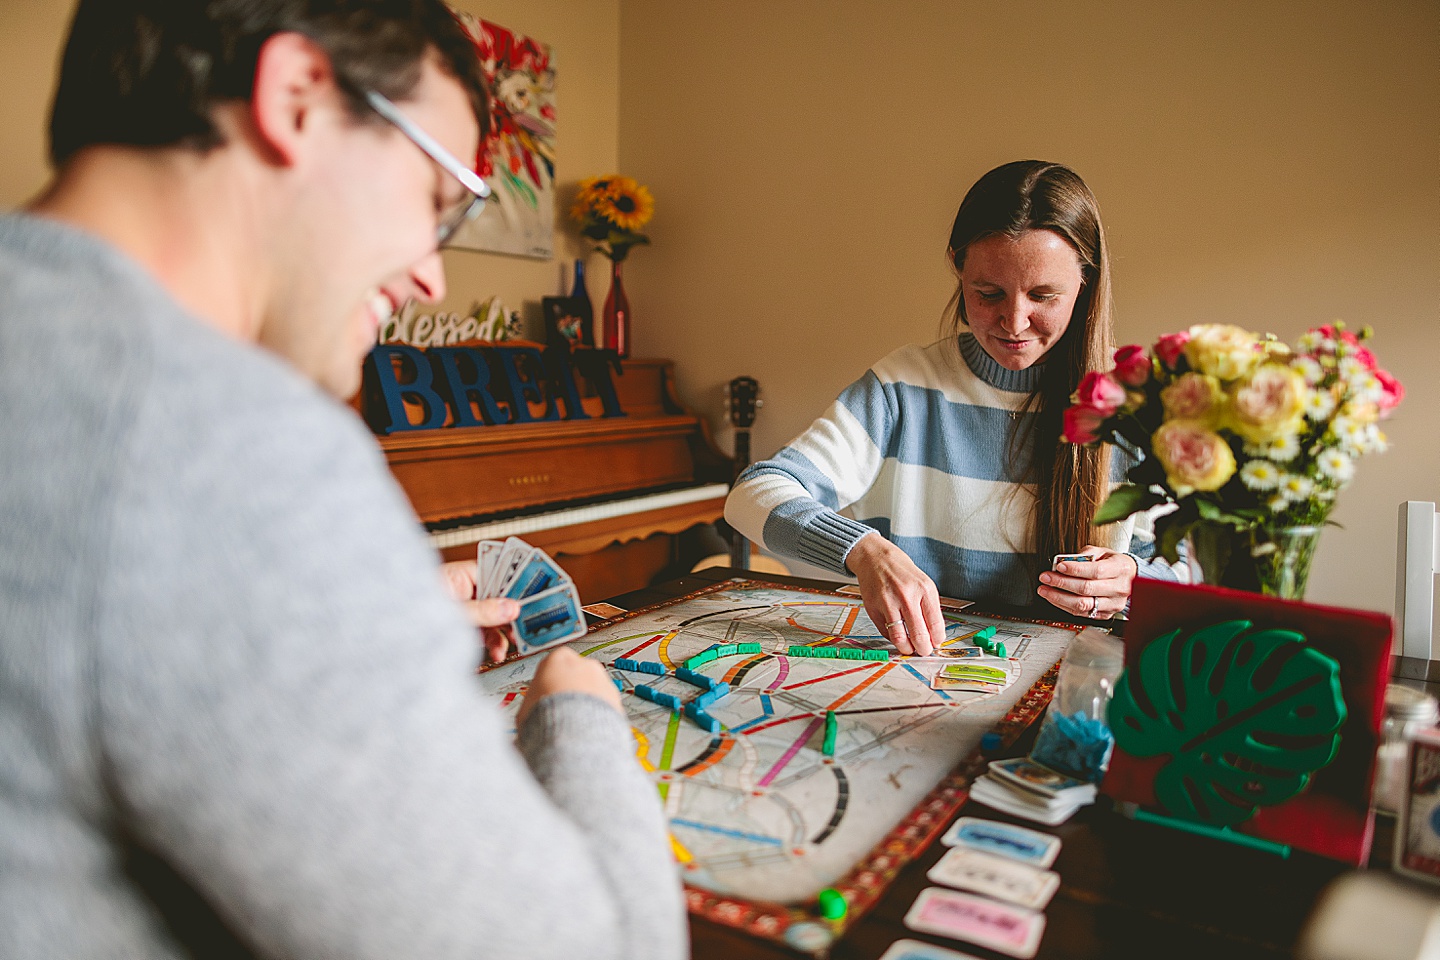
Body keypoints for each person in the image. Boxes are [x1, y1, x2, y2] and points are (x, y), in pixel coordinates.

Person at [0, 2, 685, 958]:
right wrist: (575, 703)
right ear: (294, 98)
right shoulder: (227, 431)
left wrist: (361, 617)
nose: (434, 278)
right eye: (440, 196)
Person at [726, 160, 1186, 656]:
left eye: (1043, 295)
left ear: (1086, 284)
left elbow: (1186, 570)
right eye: (988, 293)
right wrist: (864, 551)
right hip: (927, 672)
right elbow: (752, 494)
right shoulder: (903, 387)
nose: (1014, 321)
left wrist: (1134, 581)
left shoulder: (1131, 407)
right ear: (957, 267)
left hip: (1074, 681)